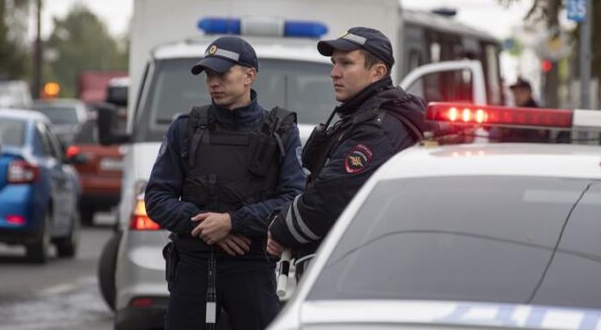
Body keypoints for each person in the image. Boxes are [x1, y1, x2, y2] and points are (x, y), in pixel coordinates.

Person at [144, 35, 305, 330]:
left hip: (252, 271)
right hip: (193, 269)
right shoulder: (185, 128)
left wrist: (233, 222)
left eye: (222, 73)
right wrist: (209, 228)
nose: (213, 82)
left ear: (249, 76)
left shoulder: (280, 132)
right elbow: (156, 197)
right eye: (208, 75)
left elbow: (294, 199)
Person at [265, 26, 427, 272]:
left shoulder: (375, 129)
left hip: (360, 268)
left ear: (377, 72)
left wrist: (279, 228)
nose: (334, 73)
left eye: (346, 64)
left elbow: (328, 201)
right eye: (334, 63)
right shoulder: (363, 115)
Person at [499, 76, 549, 142]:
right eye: (515, 92)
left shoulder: (538, 113)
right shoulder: (514, 114)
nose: (517, 95)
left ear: (529, 93)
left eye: (521, 92)